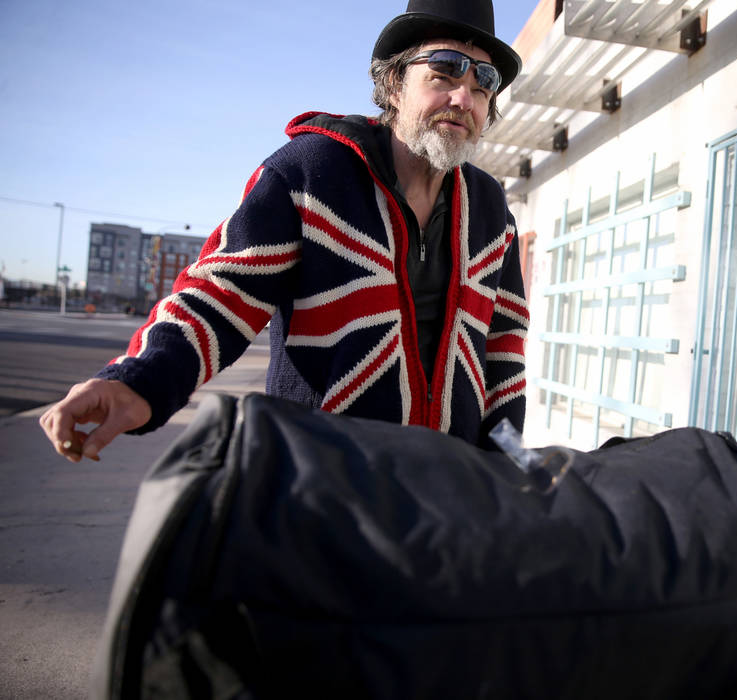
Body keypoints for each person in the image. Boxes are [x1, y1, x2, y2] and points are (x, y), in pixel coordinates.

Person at [39, 0, 529, 462]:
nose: (464, 96)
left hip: (447, 494)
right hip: (322, 489)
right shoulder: (311, 174)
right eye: (443, 72)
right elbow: (223, 292)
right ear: (396, 85)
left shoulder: (490, 211)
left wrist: (512, 465)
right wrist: (138, 381)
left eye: (483, 84)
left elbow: (502, 349)